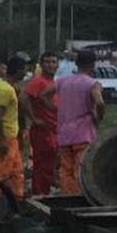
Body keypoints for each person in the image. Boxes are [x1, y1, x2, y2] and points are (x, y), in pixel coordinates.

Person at [45, 49, 105, 196]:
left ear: (76, 64)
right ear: (92, 65)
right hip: (83, 134)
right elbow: (100, 102)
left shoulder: (62, 81)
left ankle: (67, 195)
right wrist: (98, 117)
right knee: (81, 168)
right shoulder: (92, 84)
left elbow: (44, 94)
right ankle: (79, 196)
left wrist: (57, 108)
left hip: (64, 133)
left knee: (65, 169)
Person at [0, 55, 27, 214]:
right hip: (5, 135)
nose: (26, 74)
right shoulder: (4, 89)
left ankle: (16, 200)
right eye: (25, 70)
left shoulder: (3, 84)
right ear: (19, 70)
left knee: (16, 170)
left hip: (11, 135)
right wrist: (1, 140)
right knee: (0, 171)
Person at [23, 52, 59, 197]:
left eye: (54, 62)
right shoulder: (39, 81)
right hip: (42, 130)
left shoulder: (54, 82)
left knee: (50, 165)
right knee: (42, 165)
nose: (51, 65)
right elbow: (23, 97)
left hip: (54, 128)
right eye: (47, 62)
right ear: (41, 65)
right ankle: (39, 195)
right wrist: (33, 118)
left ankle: (45, 192)